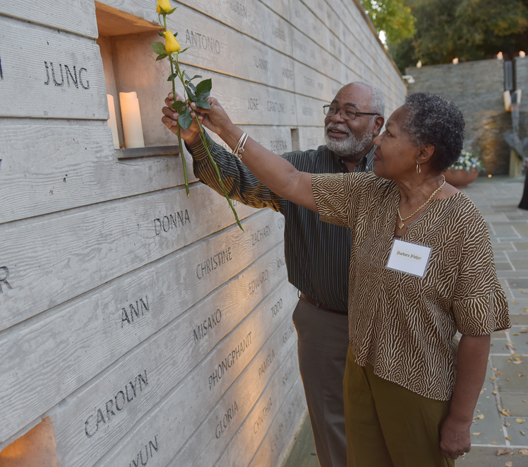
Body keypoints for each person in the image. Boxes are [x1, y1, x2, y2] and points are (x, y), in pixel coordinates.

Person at [179, 90, 511, 466]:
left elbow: (477, 330)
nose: (378, 141)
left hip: (418, 384)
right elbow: (288, 181)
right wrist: (224, 128)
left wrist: (460, 419)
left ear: (423, 153)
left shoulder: (463, 224)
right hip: (361, 373)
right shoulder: (372, 193)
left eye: (390, 135)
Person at [161, 82, 385, 467]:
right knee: (333, 427)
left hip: (388, 324)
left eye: (350, 111)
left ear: (378, 124)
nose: (336, 118)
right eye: (332, 109)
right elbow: (240, 179)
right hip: (324, 325)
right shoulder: (298, 169)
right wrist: (198, 140)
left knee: (389, 426)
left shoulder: (391, 171)